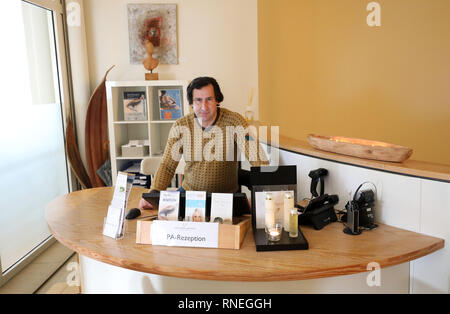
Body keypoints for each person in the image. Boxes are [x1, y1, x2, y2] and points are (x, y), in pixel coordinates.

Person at [139, 76, 268, 209]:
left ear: (217, 99)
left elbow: (257, 157)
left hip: (225, 199)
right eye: (198, 100)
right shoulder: (181, 126)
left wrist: (260, 195)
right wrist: (154, 194)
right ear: (191, 103)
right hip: (189, 196)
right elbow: (167, 166)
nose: (204, 107)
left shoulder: (234, 121)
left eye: (209, 99)